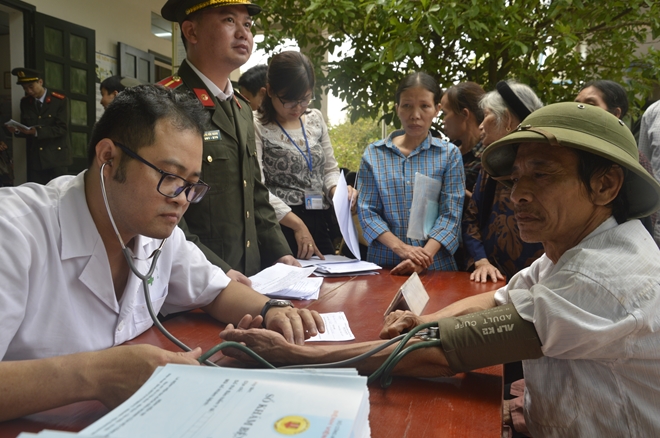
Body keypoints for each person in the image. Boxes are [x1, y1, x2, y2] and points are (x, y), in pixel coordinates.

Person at [222, 102, 660, 437]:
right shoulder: (573, 252)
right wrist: (425, 319)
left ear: (604, 185)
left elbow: (449, 352)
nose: (517, 195)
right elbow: (497, 299)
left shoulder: (604, 276)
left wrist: (294, 357)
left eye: (541, 176)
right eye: (515, 179)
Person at [0, 85, 323, 422]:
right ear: (108, 157)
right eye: (169, 176)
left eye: (192, 184)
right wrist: (96, 374)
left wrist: (272, 310)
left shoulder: (156, 232)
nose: (182, 198)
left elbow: (217, 290)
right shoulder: (14, 232)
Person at [159, 0, 297, 281]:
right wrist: (216, 270)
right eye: (229, 21)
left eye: (247, 24)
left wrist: (281, 254)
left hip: (252, 276)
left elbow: (256, 193)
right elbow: (162, 204)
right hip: (194, 279)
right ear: (191, 31)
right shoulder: (165, 102)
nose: (243, 33)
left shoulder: (242, 109)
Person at [357, 72, 464, 275]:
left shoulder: (449, 155)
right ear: (397, 109)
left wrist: (422, 258)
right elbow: (368, 212)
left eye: (424, 106)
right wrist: (401, 248)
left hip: (436, 267)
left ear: (436, 110)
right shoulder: (374, 154)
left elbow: (451, 215)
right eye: (407, 106)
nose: (415, 115)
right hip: (386, 266)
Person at [255, 51, 356, 258]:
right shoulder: (256, 124)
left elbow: (329, 169)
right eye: (290, 101)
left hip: (319, 218)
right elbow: (258, 187)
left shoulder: (314, 118)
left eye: (305, 99)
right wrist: (296, 224)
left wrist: (337, 191)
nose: (298, 107)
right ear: (270, 91)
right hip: (281, 222)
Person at [462, 80, 544, 282]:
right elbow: (471, 218)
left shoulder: (548, 165)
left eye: (487, 115)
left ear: (506, 119)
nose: (481, 125)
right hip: (492, 280)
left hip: (539, 282)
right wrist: (481, 261)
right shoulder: (490, 167)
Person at [575, 79, 657, 238]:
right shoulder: (571, 151)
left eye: (591, 104)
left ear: (615, 114)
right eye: (577, 104)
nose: (580, 110)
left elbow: (645, 219)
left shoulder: (632, 160)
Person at [4, 68, 70, 184]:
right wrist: (16, 130)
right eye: (25, 88)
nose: (29, 91)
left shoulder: (59, 101)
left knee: (59, 194)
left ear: (40, 82)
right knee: (37, 195)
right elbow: (26, 127)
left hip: (56, 158)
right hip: (37, 159)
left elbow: (62, 129)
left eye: (31, 86)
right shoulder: (25, 103)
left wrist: (36, 132)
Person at [440, 81, 486, 196]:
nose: (443, 121)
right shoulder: (446, 152)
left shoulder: (488, 158)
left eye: (445, 113)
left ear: (464, 114)